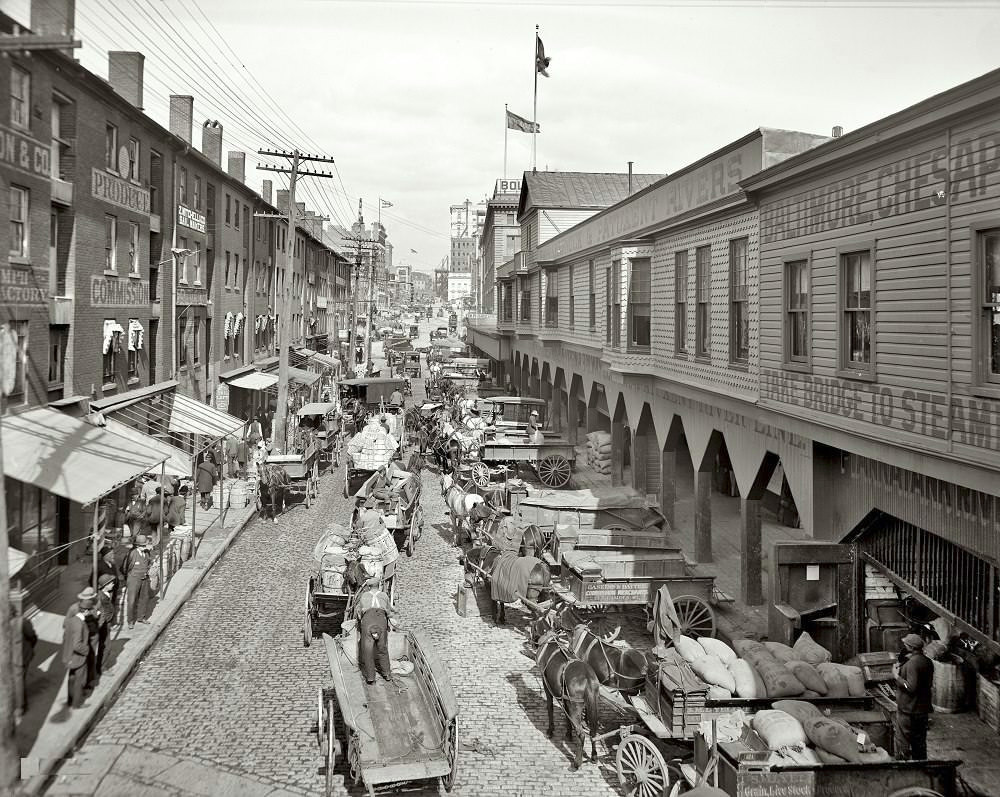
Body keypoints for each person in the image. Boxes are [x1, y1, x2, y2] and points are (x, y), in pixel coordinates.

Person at [894, 633, 934, 760]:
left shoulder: (912, 663)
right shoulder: (927, 662)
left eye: (906, 644)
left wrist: (897, 677)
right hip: (922, 710)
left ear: (911, 647)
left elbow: (911, 687)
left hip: (908, 710)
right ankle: (921, 766)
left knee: (903, 741)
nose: (904, 645)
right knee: (920, 743)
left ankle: (903, 767)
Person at [355, 583, 398, 685]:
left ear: (369, 587)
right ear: (378, 586)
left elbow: (359, 613)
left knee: (367, 650)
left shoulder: (364, 596)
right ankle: (387, 674)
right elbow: (389, 610)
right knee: (382, 648)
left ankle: (370, 678)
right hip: (381, 621)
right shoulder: (384, 595)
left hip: (368, 622)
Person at [62, 588, 95, 707]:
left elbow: (67, 635)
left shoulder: (72, 620)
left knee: (71, 678)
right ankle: (77, 703)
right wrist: (86, 651)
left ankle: (70, 700)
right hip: (78, 657)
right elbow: (77, 645)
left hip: (68, 656)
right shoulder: (80, 624)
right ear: (85, 611)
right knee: (79, 680)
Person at [122, 534, 152, 629]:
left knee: (144, 598)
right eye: (142, 546)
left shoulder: (147, 553)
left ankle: (141, 617)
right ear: (137, 545)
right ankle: (130, 621)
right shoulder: (132, 554)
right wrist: (128, 577)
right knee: (132, 600)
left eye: (145, 545)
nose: (144, 547)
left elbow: (148, 563)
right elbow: (125, 567)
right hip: (134, 579)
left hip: (144, 579)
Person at [93, 574, 117, 676]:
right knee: (107, 647)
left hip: (107, 623)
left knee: (104, 646)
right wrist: (107, 622)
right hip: (103, 624)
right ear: (105, 585)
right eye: (111, 583)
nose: (113, 584)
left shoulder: (107, 593)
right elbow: (100, 612)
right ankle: (101, 668)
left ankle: (99, 666)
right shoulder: (100, 597)